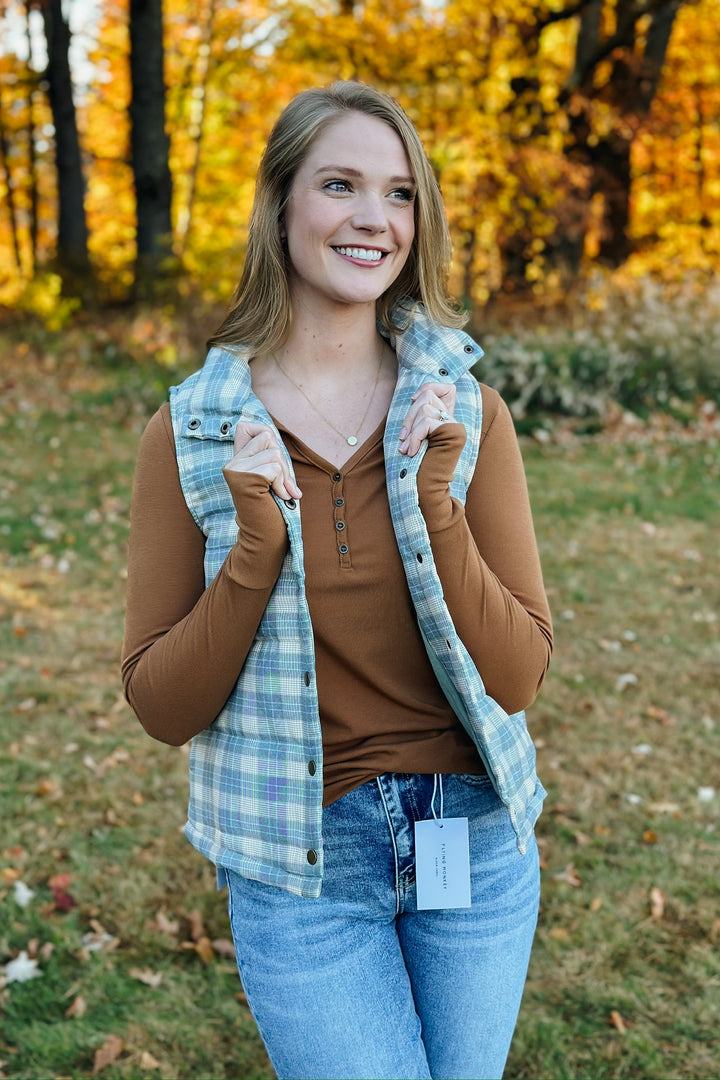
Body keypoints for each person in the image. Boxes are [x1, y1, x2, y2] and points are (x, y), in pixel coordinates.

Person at [122, 80, 553, 1080]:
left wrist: (438, 506)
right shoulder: (191, 431)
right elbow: (160, 702)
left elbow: (521, 675)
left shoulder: (465, 410)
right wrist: (256, 544)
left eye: (400, 194)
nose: (374, 219)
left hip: (473, 844)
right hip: (301, 865)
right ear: (280, 208)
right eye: (341, 184)